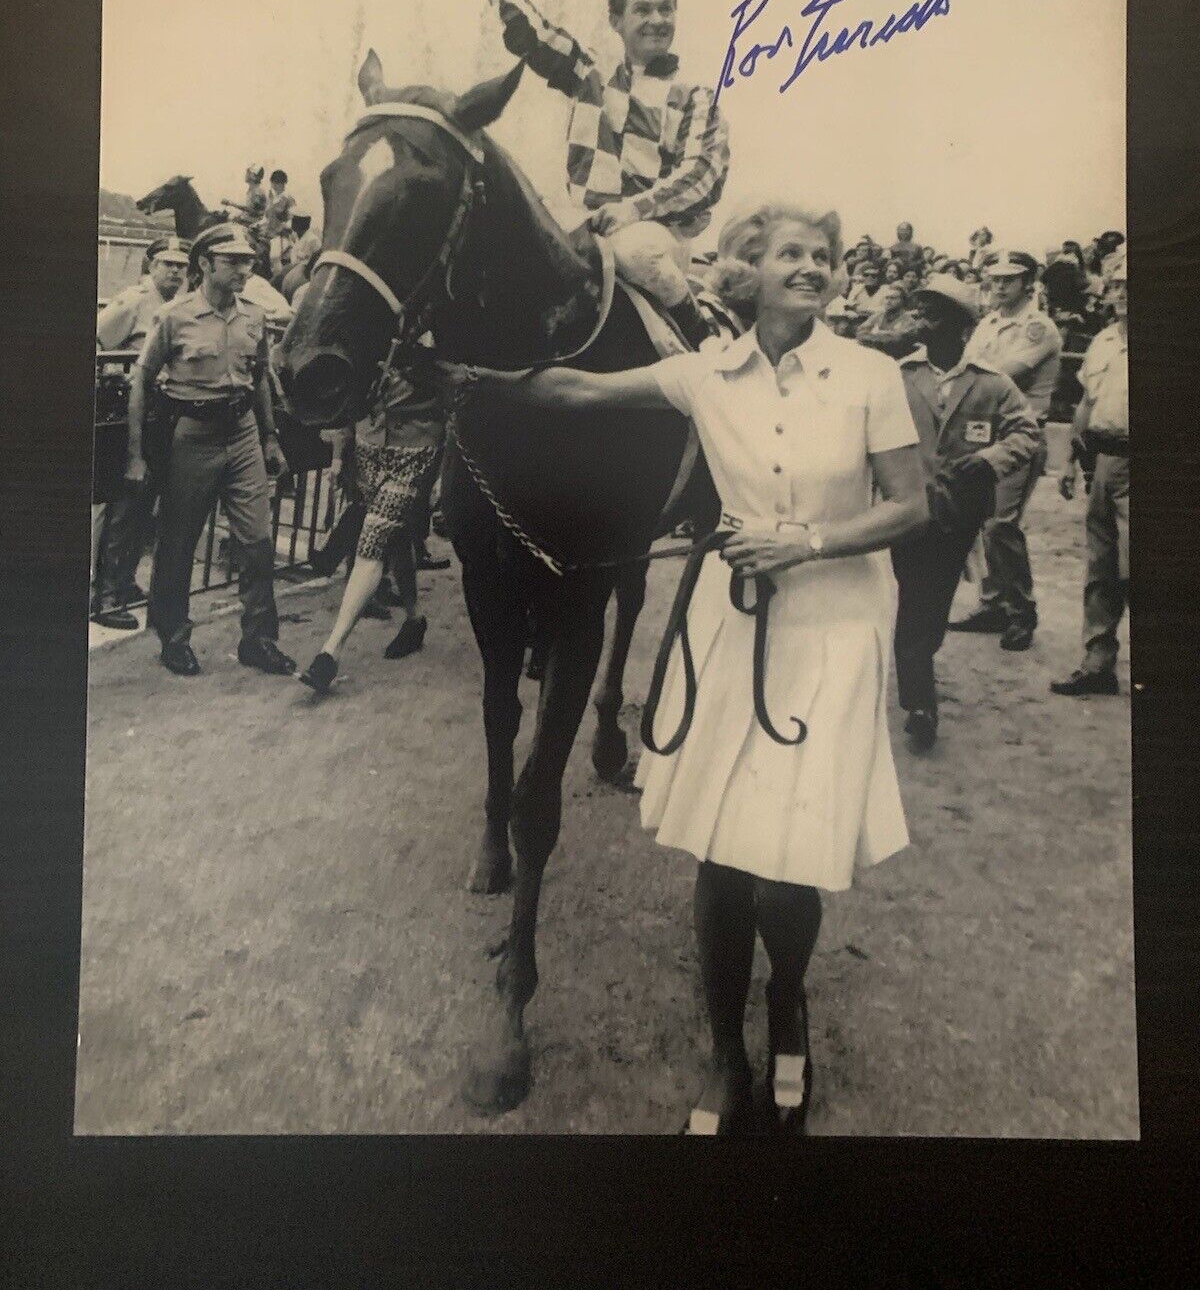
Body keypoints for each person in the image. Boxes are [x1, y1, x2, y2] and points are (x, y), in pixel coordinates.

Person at [444, 203, 927, 1135]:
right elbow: (573, 394)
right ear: (747, 270)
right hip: (730, 626)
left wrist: (807, 541)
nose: (812, 267)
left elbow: (911, 507)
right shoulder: (702, 373)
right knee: (721, 850)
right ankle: (723, 1054)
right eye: (792, 252)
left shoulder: (871, 374)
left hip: (832, 626)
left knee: (790, 862)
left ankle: (788, 1009)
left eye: (824, 255)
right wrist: (477, 378)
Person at [442, 0, 729, 352]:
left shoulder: (696, 98)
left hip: (655, 235)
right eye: (643, 10)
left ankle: (703, 341)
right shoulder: (590, 77)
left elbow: (702, 174)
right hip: (584, 223)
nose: (657, 20)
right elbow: (533, 33)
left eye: (666, 9)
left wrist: (632, 209)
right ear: (616, 21)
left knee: (635, 251)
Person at [127, 223, 295, 677]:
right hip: (192, 437)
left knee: (258, 542)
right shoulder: (174, 316)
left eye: (249, 261)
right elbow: (141, 382)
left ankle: (259, 641)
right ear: (205, 264)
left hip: (242, 436)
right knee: (179, 543)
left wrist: (271, 435)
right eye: (234, 261)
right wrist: (136, 455)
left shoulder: (255, 316)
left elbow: (259, 378)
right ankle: (174, 638)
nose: (246, 269)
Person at [892, 276, 1041, 751]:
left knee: (928, 605)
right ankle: (919, 698)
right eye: (920, 312)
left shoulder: (991, 383)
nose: (922, 323)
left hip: (956, 517)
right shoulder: (899, 375)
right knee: (906, 603)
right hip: (900, 510)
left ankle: (917, 692)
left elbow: (1026, 434)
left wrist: (988, 460)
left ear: (959, 325)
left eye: (933, 314)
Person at [299, 353, 446, 694]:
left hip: (416, 449)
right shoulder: (368, 325)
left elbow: (455, 401)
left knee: (374, 539)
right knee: (394, 537)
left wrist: (445, 473)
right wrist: (340, 455)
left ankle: (330, 652)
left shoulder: (439, 329)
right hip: (369, 447)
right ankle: (414, 619)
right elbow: (350, 395)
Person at [949, 249, 1062, 651]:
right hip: (984, 435)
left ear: (1028, 283)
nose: (999, 285)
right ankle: (994, 603)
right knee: (984, 524)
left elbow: (1003, 375)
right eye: (995, 279)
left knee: (1002, 524)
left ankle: (1021, 611)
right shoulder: (989, 324)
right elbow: (965, 364)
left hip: (1019, 433)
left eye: (1009, 279)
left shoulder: (1037, 328)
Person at [92, 236, 190, 627]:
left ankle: (125, 581)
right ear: (151, 265)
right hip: (130, 413)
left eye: (181, 265)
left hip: (163, 414)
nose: (175, 271)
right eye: (168, 263)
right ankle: (108, 596)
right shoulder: (133, 301)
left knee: (144, 505)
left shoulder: (180, 306)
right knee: (125, 504)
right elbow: (99, 341)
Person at [1051, 250, 1128, 696]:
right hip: (1103, 460)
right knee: (1101, 567)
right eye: (1115, 286)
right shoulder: (1102, 342)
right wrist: (1069, 459)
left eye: (1129, 286)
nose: (1121, 295)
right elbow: (1087, 404)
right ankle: (1098, 662)